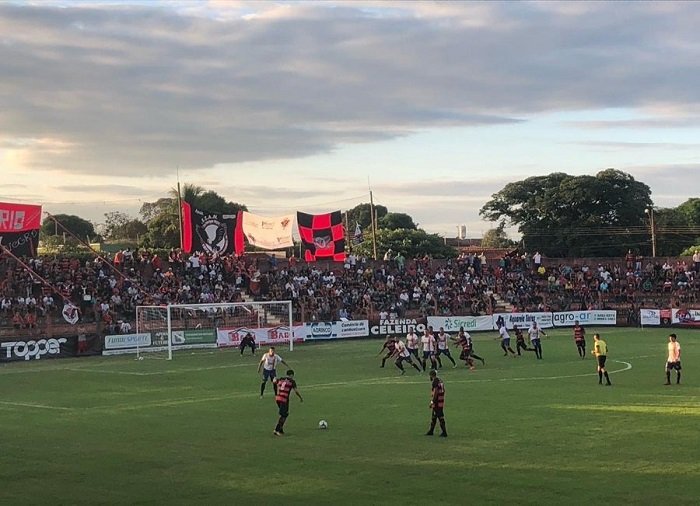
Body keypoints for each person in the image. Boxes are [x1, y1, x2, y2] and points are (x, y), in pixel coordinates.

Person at [272, 369, 303, 436]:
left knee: (285, 414)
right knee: (284, 415)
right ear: (291, 375)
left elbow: (274, 381)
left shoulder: (281, 379)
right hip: (284, 399)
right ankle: (276, 430)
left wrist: (275, 389)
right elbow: (296, 391)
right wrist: (300, 397)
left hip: (278, 398)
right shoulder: (292, 381)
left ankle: (281, 429)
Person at [426, 370, 447, 437]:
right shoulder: (440, 380)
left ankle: (444, 432)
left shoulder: (435, 382)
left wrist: (432, 402)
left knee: (440, 416)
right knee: (434, 416)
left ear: (431, 375)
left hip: (437, 402)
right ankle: (431, 431)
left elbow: (436, 392)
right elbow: (443, 390)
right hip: (441, 400)